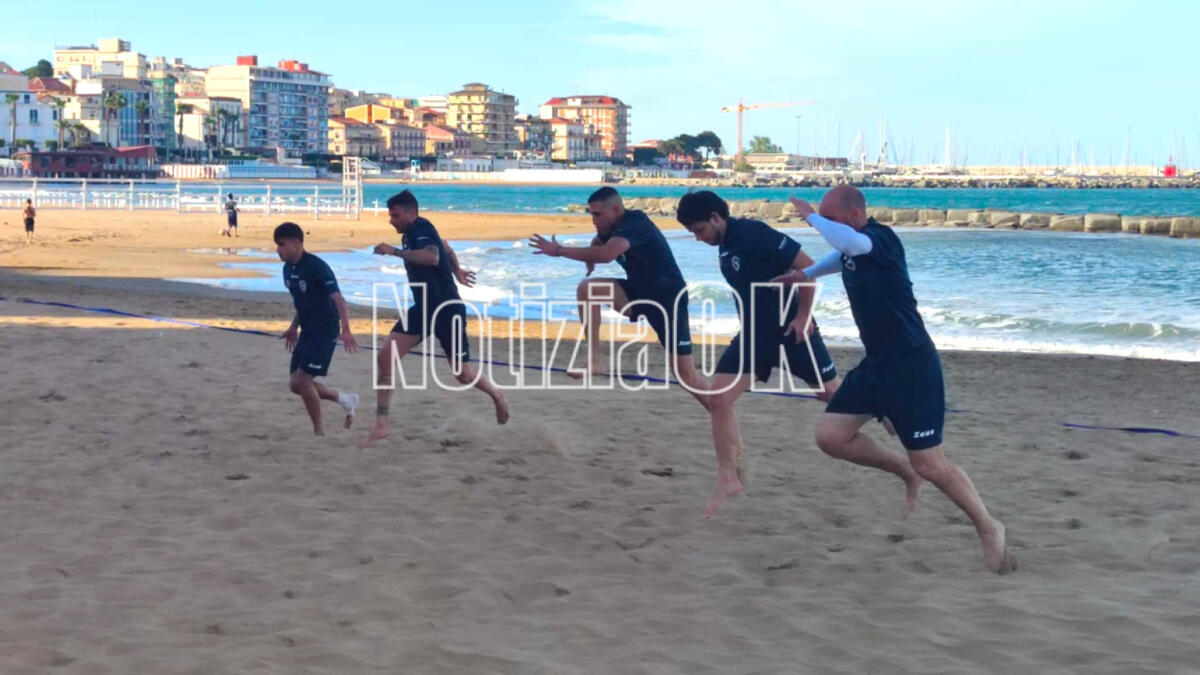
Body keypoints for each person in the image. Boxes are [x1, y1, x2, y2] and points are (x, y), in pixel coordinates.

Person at [773, 185, 1015, 573]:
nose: (828, 225)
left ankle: (989, 527)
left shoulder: (880, 239)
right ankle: (901, 468)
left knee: (931, 464)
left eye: (833, 218)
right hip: (877, 365)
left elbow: (849, 244)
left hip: (912, 366)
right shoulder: (855, 249)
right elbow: (842, 257)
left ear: (855, 214)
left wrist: (810, 217)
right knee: (831, 437)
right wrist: (805, 273)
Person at [676, 191, 841, 516]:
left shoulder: (754, 233)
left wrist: (803, 317)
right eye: (692, 233)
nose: (698, 238)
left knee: (832, 396)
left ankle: (889, 413)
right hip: (754, 335)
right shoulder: (724, 243)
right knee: (718, 399)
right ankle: (728, 477)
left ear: (715, 218)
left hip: (790, 331)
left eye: (699, 230)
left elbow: (809, 269)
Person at [529, 187, 708, 405]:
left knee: (685, 377)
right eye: (591, 214)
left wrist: (559, 250)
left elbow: (607, 254)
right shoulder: (610, 226)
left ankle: (718, 407)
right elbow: (599, 243)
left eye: (597, 214)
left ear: (615, 209)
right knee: (587, 289)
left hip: (668, 299)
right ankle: (594, 360)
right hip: (637, 293)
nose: (593, 220)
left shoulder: (635, 224)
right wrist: (589, 257)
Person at [361, 190, 509, 448]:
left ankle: (496, 394)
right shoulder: (411, 233)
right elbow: (447, 248)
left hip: (446, 309)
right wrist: (458, 270)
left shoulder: (422, 227)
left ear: (410, 212)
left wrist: (394, 251)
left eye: (394, 215)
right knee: (385, 357)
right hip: (423, 308)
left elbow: (432, 256)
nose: (390, 221)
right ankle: (382, 424)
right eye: (390, 215)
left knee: (462, 374)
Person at [275, 222, 360, 436]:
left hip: (326, 329)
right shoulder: (288, 269)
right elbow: (301, 303)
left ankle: (319, 432)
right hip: (307, 329)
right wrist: (293, 327)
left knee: (303, 381)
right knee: (295, 385)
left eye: (282, 244)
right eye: (277, 245)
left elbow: (339, 299)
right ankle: (344, 399)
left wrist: (347, 329)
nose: (278, 249)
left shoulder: (317, 267)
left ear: (296, 243)